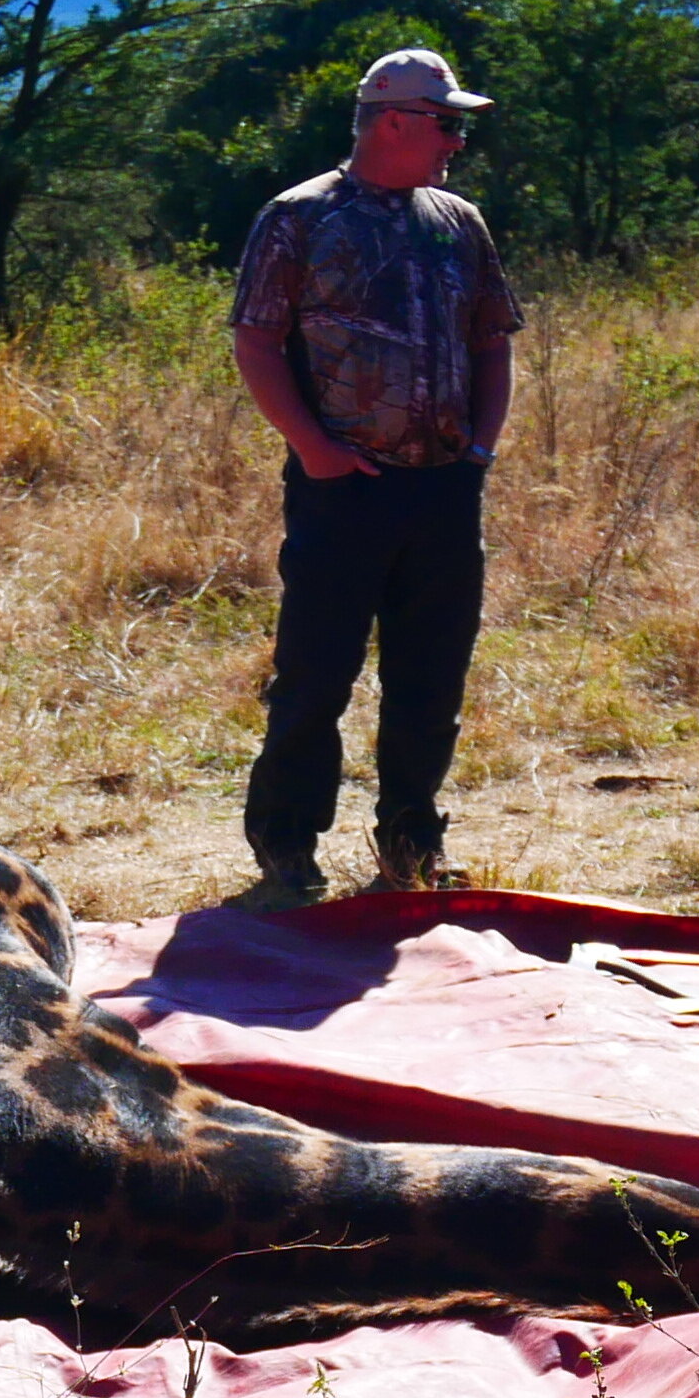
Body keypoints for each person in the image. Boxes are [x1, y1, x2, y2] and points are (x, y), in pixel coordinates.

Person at [228, 47, 525, 906]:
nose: (457, 142)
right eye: (447, 123)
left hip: (443, 489)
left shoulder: (458, 221)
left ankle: (411, 845)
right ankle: (286, 851)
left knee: (431, 678)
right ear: (392, 120)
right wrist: (313, 447)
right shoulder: (300, 217)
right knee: (316, 677)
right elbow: (254, 341)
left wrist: (479, 451)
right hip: (341, 489)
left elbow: (492, 342)